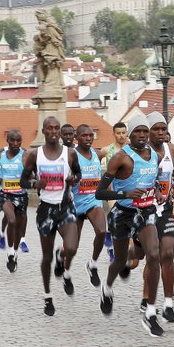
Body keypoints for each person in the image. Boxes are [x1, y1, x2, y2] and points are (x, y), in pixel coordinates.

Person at [95, 115, 165, 337]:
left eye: (146, 131)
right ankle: (107, 288)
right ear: (130, 134)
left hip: (146, 212)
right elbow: (100, 192)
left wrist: (158, 192)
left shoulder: (156, 155)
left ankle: (151, 312)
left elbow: (152, 181)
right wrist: (124, 193)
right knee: (119, 260)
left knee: (154, 255)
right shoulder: (120, 158)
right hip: (123, 214)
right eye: (138, 132)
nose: (142, 135)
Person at [19, 117, 81, 316]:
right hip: (46, 209)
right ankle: (48, 296)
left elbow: (78, 175)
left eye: (57, 128)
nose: (54, 131)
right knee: (46, 257)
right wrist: (35, 184)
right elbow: (23, 181)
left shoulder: (70, 153)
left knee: (71, 247)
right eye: (50, 128)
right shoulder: (34, 155)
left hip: (65, 207)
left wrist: (73, 179)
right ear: (43, 131)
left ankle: (62, 260)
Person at [142, 112, 174, 323]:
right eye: (155, 129)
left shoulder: (172, 149)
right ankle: (147, 297)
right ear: (147, 131)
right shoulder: (141, 154)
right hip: (144, 211)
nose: (160, 133)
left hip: (165, 209)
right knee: (146, 256)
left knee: (167, 253)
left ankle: (167, 305)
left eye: (163, 129)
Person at [71, 123, 108, 289]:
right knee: (72, 247)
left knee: (102, 231)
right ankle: (65, 268)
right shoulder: (71, 155)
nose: (87, 138)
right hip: (74, 203)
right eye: (84, 136)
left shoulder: (97, 154)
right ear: (76, 138)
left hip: (93, 200)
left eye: (90, 135)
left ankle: (92, 263)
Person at [0, 130, 28, 272]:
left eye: (18, 141)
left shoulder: (25, 155)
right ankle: (10, 253)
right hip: (6, 195)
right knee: (11, 221)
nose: (15, 144)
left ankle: (15, 252)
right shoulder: (0, 156)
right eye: (12, 140)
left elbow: (33, 171)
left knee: (19, 230)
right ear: (7, 141)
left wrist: (32, 177)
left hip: (21, 196)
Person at [99, 121, 128, 263]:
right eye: (118, 133)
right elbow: (95, 160)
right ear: (114, 134)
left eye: (123, 133)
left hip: (128, 190)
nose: (121, 136)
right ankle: (112, 248)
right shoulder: (107, 150)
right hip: (112, 191)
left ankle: (110, 236)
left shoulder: (131, 148)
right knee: (115, 212)